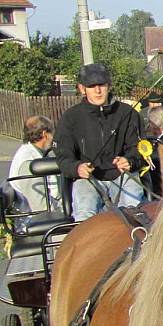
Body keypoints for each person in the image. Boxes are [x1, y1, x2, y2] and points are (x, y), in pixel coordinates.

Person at [54, 63, 144, 222]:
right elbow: (63, 156)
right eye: (92, 86)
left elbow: (138, 148)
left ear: (109, 86)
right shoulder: (70, 118)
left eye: (101, 85)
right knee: (84, 215)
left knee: (135, 212)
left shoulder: (128, 113)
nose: (97, 90)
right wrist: (77, 168)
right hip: (88, 179)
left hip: (123, 176)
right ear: (82, 88)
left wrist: (129, 160)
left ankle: (137, 244)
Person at [8, 115, 60, 215]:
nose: (53, 138)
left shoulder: (35, 153)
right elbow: (40, 205)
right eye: (52, 134)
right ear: (45, 134)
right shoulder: (29, 162)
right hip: (37, 219)